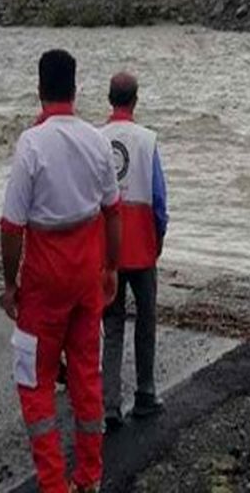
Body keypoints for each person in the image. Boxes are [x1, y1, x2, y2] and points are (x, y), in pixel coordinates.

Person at [0, 49, 121, 493]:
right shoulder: (97, 140)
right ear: (75, 88)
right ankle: (89, 478)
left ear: (39, 89)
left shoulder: (32, 143)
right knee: (87, 376)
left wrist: (9, 285)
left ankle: (54, 484)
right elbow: (113, 212)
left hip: (45, 281)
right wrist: (111, 268)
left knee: (35, 380)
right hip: (88, 275)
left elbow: (12, 226)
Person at [100, 72, 169, 431]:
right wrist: (159, 237)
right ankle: (145, 392)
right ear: (135, 100)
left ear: (110, 99)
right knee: (145, 321)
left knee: (111, 326)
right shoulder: (147, 140)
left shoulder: (95, 139)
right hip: (142, 247)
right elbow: (158, 199)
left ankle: (110, 404)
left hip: (107, 251)